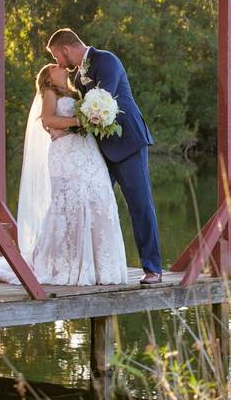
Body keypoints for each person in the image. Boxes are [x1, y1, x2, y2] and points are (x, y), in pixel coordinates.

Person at [45, 29, 163, 285]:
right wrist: (60, 130)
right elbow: (80, 112)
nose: (58, 62)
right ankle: (94, 268)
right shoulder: (76, 78)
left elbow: (101, 104)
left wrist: (66, 127)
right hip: (98, 152)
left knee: (139, 205)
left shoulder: (106, 61)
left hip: (128, 143)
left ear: (66, 49)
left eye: (57, 55)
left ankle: (153, 268)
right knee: (95, 207)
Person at [16, 63, 127, 285]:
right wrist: (78, 122)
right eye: (54, 67)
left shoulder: (76, 92)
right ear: (48, 78)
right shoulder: (49, 92)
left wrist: (92, 121)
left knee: (99, 197)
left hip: (87, 151)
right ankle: (68, 264)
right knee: (71, 201)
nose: (61, 67)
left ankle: (101, 266)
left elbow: (68, 124)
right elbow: (48, 120)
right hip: (66, 154)